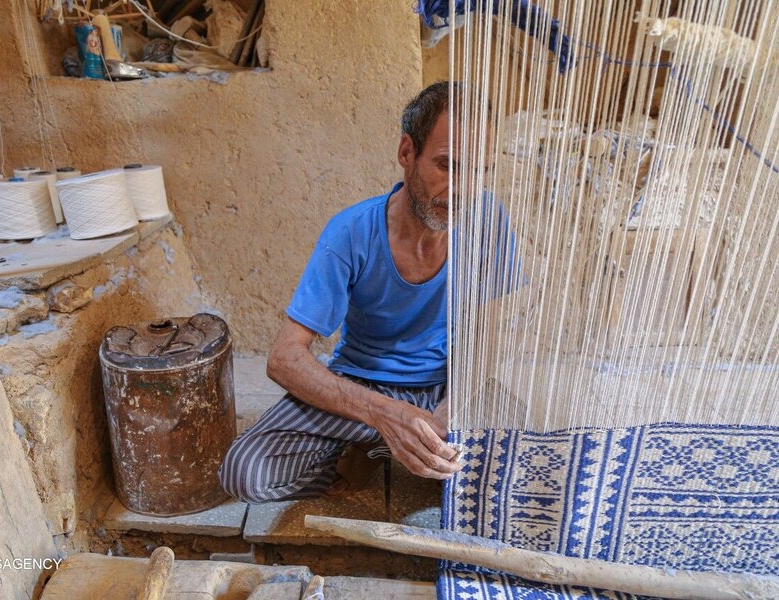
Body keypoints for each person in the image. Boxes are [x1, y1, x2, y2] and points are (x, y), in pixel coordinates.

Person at [219, 82, 464, 503]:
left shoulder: (489, 225)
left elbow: (491, 339)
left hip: (448, 389)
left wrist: (448, 412)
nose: (462, 188)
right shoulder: (351, 232)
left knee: (513, 466)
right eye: (446, 165)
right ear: (407, 153)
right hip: (366, 389)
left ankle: (383, 450)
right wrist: (387, 415)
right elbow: (285, 358)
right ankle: (375, 446)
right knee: (245, 473)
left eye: (479, 170)